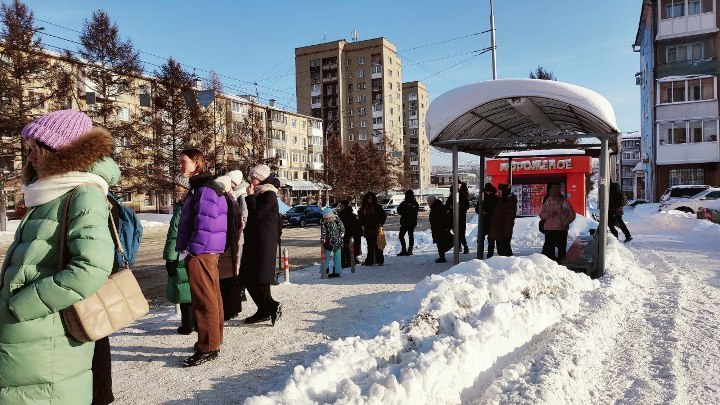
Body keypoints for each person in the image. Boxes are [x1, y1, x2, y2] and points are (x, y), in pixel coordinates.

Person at [0, 110, 118, 404]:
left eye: (34, 151)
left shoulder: (82, 194)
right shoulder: (49, 194)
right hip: (32, 336)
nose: (29, 159)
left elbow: (91, 267)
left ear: (59, 152)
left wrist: (21, 305)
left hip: (47, 333)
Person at [176, 149, 228, 367]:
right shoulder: (204, 186)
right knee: (211, 297)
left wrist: (193, 250)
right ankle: (214, 340)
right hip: (207, 251)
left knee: (204, 300)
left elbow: (205, 222)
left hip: (203, 252)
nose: (180, 166)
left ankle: (208, 346)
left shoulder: (205, 188)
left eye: (183, 162)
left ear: (196, 163)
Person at [239, 164, 283, 325]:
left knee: (258, 278)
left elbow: (256, 216)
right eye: (250, 177)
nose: (251, 181)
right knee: (251, 277)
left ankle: (271, 306)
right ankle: (264, 309)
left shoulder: (269, 194)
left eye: (254, 178)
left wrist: (250, 197)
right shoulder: (261, 193)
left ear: (262, 178)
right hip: (256, 241)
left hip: (264, 243)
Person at [164, 175, 194, 334]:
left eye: (179, 188)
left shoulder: (183, 208)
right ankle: (192, 322)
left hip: (180, 253)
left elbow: (174, 234)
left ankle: (187, 324)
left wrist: (170, 257)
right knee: (190, 288)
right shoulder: (190, 205)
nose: (176, 190)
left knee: (183, 289)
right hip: (189, 251)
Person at [539, 184, 577, 264]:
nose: (553, 198)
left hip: (561, 230)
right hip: (549, 230)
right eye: (552, 195)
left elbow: (572, 215)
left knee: (561, 251)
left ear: (558, 194)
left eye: (555, 195)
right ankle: (551, 266)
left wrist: (564, 222)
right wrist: (548, 214)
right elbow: (541, 215)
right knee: (549, 252)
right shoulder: (547, 202)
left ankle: (562, 266)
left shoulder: (564, 202)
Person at [358, 192, 387, 266]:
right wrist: (363, 225)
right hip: (368, 229)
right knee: (370, 246)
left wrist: (380, 224)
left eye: (371, 198)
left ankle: (379, 260)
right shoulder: (364, 208)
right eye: (368, 198)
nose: (370, 199)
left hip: (377, 229)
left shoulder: (377, 207)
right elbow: (361, 219)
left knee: (378, 245)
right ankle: (370, 261)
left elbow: (383, 216)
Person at [489, 184, 517, 256]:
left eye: (501, 191)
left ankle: (510, 266)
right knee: (501, 252)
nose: (499, 193)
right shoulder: (502, 200)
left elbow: (509, 220)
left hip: (504, 233)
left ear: (505, 192)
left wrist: (506, 234)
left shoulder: (510, 202)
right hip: (499, 232)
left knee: (506, 252)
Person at [320, 207, 345, 277]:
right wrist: (341, 236)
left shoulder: (332, 221)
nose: (328, 219)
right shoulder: (334, 220)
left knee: (331, 257)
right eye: (326, 218)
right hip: (333, 241)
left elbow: (324, 232)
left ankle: (330, 271)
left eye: (329, 217)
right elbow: (342, 229)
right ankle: (331, 271)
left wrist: (323, 238)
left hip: (333, 242)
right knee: (332, 257)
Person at [476, 183, 498, 258]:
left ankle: (489, 256)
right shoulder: (482, 196)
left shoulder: (495, 197)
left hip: (491, 221)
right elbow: (477, 208)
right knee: (481, 239)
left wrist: (487, 212)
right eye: (487, 191)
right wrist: (481, 212)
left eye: (489, 192)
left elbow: (496, 209)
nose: (488, 193)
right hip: (484, 221)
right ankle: (480, 255)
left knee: (491, 240)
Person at [428, 195, 452, 263]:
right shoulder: (436, 206)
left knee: (441, 243)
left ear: (432, 201)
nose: (428, 203)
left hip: (440, 228)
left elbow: (445, 217)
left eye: (429, 202)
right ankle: (442, 256)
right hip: (438, 228)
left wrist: (446, 227)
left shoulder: (438, 207)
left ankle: (442, 257)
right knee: (440, 242)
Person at [337, 200, 361, 266]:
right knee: (347, 249)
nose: (340, 207)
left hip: (348, 235)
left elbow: (348, 226)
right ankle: (350, 261)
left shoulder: (346, 214)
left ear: (344, 206)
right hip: (348, 234)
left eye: (341, 205)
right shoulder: (345, 213)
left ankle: (349, 262)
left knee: (347, 249)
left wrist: (346, 235)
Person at [397, 189, 419, 256]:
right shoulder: (413, 203)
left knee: (404, 236)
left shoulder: (406, 203)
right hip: (409, 222)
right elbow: (400, 211)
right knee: (409, 236)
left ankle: (406, 250)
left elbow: (399, 211)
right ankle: (408, 250)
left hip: (407, 222)